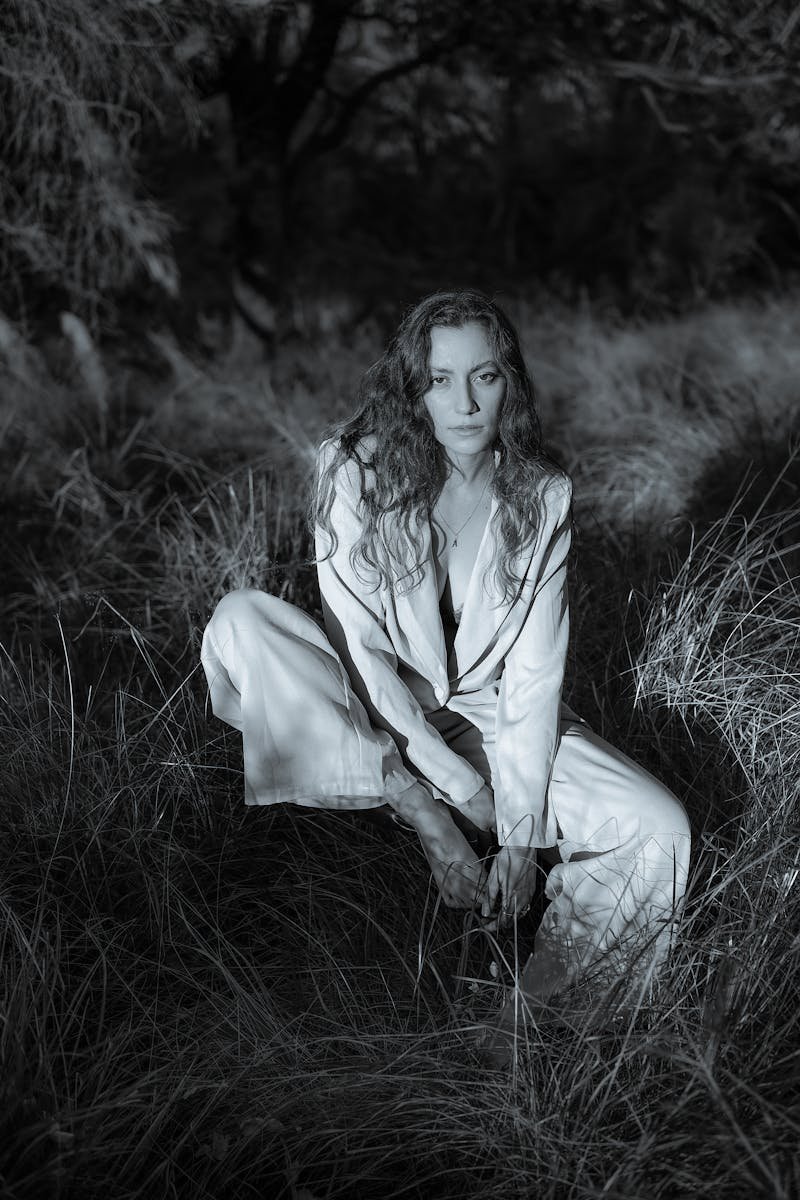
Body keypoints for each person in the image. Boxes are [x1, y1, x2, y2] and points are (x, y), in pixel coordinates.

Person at [200, 289, 691, 1043]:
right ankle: (407, 802)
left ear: (509, 383)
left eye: (484, 377)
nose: (464, 404)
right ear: (413, 387)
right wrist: (447, 806)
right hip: (364, 711)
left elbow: (533, 677)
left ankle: (534, 1030)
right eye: (440, 379)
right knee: (242, 619)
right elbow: (360, 650)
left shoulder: (542, 496)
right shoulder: (353, 470)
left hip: (483, 712)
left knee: (657, 825)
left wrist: (519, 834)